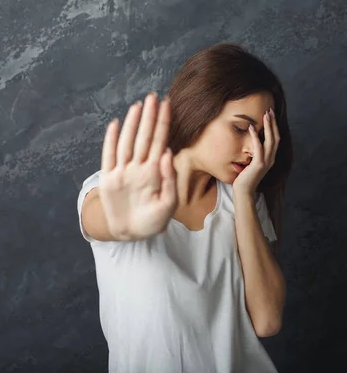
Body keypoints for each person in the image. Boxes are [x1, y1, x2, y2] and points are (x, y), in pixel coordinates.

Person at [76, 43, 294, 372]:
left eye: (261, 135)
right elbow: (98, 218)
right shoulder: (118, 189)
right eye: (239, 128)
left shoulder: (244, 201)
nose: (253, 149)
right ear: (199, 109)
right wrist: (124, 223)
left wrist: (245, 196)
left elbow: (267, 321)